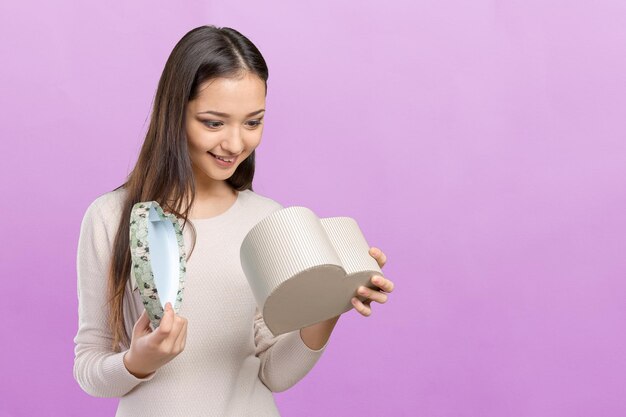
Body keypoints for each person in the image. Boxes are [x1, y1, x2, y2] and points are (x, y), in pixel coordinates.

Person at [72, 24, 394, 417]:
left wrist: (330, 304)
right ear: (175, 113)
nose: (236, 143)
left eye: (253, 122)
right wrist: (138, 361)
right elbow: (89, 364)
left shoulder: (266, 220)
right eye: (213, 122)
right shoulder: (111, 217)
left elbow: (274, 372)